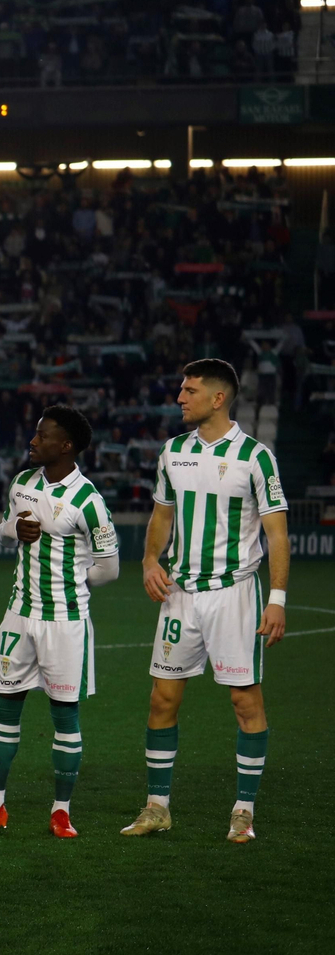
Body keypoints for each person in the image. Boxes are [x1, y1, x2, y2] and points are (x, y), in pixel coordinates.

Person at [121, 359, 289, 844]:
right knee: (162, 698)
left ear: (218, 398)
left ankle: (243, 811)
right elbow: (162, 516)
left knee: (244, 700)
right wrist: (151, 560)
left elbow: (277, 534)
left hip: (235, 594)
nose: (180, 397)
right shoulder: (173, 452)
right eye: (181, 389)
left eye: (190, 390)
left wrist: (275, 599)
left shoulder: (256, 457)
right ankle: (157, 806)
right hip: (180, 595)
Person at [0, 406, 118, 840]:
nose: (33, 441)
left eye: (43, 436)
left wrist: (70, 584)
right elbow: (2, 531)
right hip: (17, 616)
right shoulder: (22, 483)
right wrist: (14, 531)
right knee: (3, 710)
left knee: (65, 715)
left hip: (65, 621)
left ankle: (61, 811)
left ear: (65, 446)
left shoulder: (89, 501)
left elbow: (109, 569)